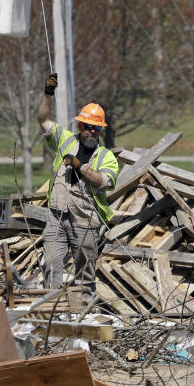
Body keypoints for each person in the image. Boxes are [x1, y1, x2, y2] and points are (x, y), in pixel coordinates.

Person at [36, 73, 119, 295]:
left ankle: (83, 314)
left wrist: (80, 166)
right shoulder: (64, 139)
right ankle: (51, 309)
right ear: (80, 124)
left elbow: (103, 181)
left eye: (97, 128)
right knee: (50, 263)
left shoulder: (106, 156)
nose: (92, 131)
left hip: (85, 220)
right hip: (56, 215)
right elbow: (43, 119)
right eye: (88, 126)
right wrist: (48, 94)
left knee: (84, 274)